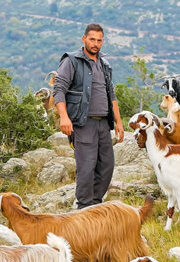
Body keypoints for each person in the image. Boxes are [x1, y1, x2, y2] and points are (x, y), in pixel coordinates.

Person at [53, 23, 124, 209]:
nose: (95, 44)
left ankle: (95, 205)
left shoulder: (104, 64)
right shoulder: (72, 60)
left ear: (103, 42)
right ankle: (83, 208)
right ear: (84, 39)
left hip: (103, 124)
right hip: (83, 123)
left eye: (99, 40)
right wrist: (64, 117)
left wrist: (118, 122)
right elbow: (59, 89)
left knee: (106, 166)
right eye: (92, 39)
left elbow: (112, 95)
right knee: (86, 168)